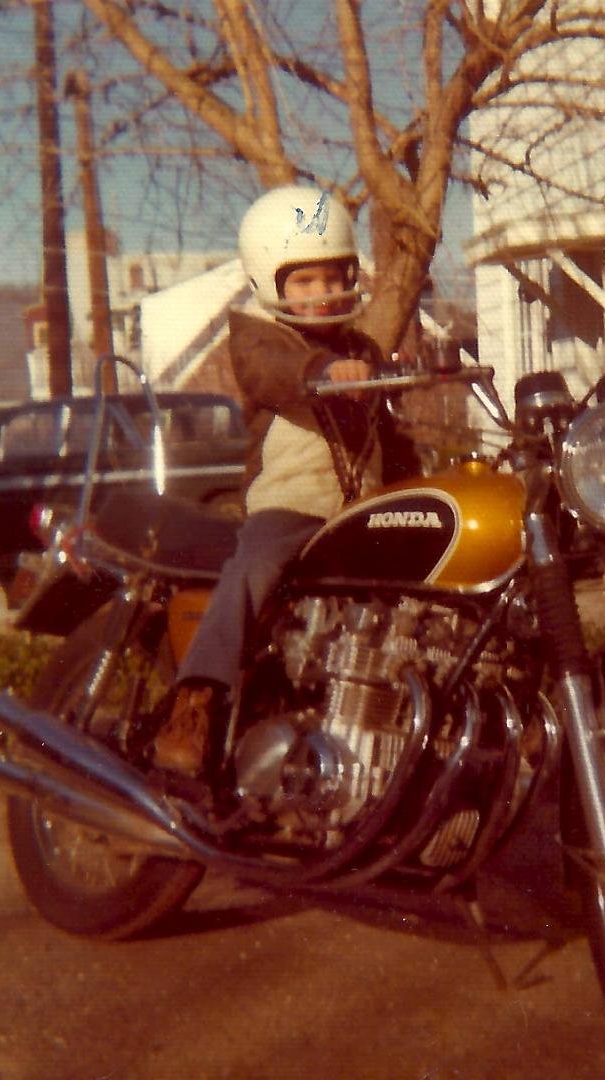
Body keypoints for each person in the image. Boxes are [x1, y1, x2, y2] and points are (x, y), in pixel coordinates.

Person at [153, 185, 407, 778]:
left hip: (360, 511)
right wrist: (326, 371)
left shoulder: (364, 346)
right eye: (304, 281)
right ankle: (197, 698)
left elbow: (391, 431)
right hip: (291, 504)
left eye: (333, 277)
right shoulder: (258, 334)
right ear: (270, 281)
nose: (322, 293)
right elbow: (275, 372)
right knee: (255, 565)